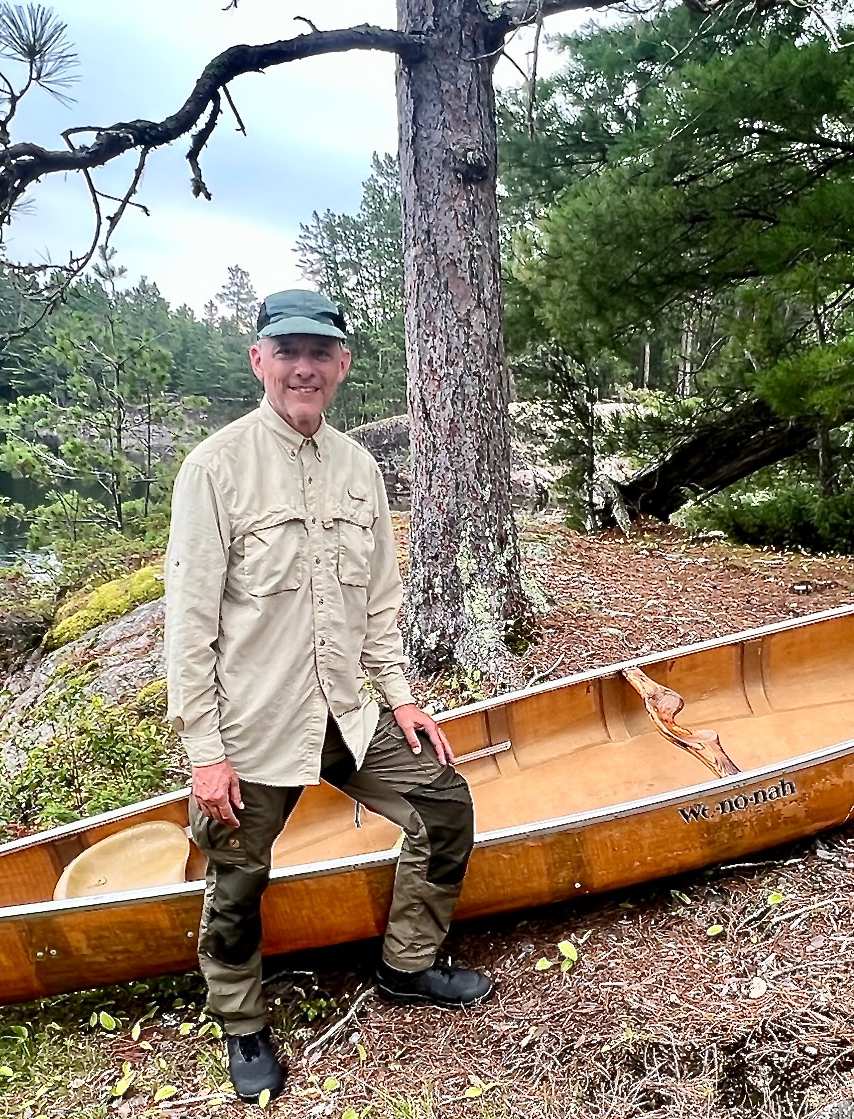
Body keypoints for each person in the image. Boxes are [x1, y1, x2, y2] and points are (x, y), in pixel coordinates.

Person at [163, 288, 493, 1104]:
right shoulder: (215, 468)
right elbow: (189, 624)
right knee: (236, 879)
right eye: (288, 351)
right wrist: (206, 752)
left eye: (320, 353)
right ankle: (241, 1022)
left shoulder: (360, 468)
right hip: (253, 727)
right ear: (259, 361)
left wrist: (402, 697)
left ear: (342, 365)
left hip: (347, 713)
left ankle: (407, 964)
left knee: (443, 804)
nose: (303, 367)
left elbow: (377, 604)